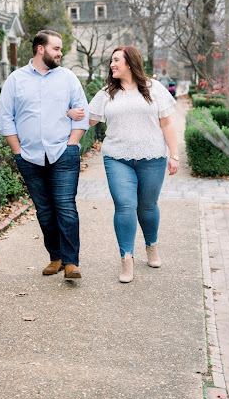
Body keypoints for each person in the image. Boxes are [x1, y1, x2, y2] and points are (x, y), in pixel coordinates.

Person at [68, 46, 178, 284]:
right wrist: (69, 116)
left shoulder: (153, 88)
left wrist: (174, 155)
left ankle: (151, 245)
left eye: (116, 60)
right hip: (117, 157)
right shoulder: (107, 93)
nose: (112, 64)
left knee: (147, 206)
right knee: (125, 206)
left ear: (130, 62)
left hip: (152, 157)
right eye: (111, 61)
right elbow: (88, 118)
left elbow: (167, 123)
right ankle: (126, 259)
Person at [0, 30, 89, 280]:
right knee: (45, 210)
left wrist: (72, 145)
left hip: (63, 152)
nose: (60, 53)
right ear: (40, 49)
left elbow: (83, 113)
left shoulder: (68, 78)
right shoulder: (16, 80)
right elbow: (5, 118)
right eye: (56, 49)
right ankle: (55, 257)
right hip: (29, 156)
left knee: (66, 208)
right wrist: (17, 152)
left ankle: (71, 263)